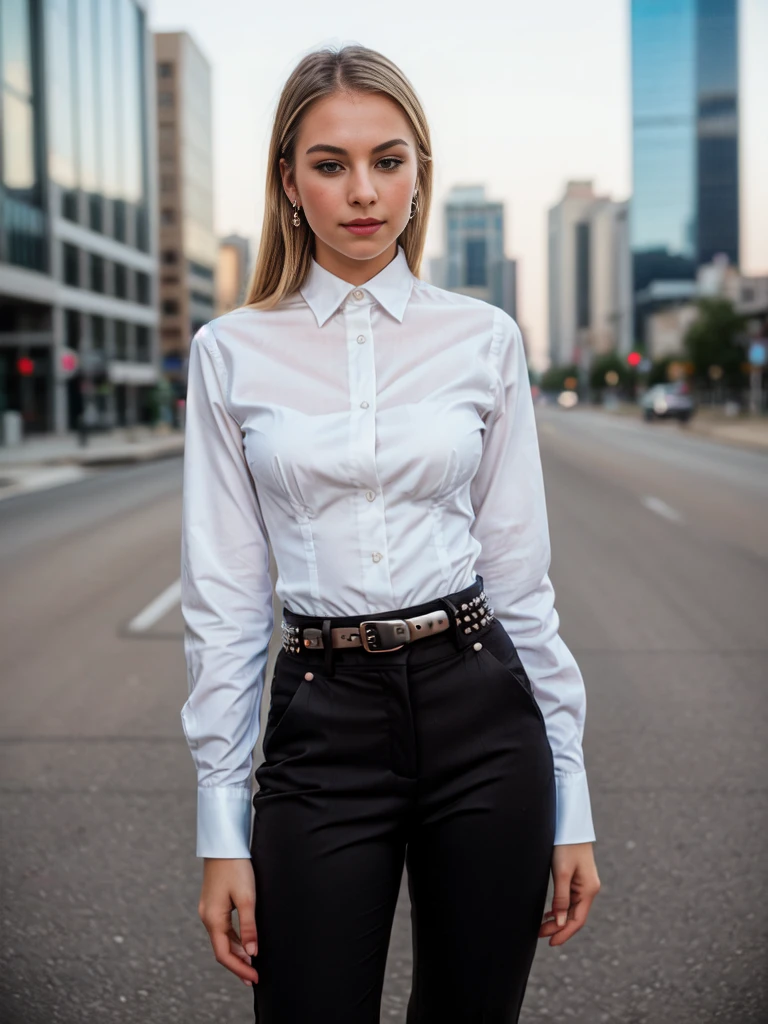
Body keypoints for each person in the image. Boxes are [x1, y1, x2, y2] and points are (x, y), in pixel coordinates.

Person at [179, 43, 600, 1024]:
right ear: (289, 182)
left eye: (389, 159)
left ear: (420, 173)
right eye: (329, 164)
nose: (362, 191)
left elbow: (522, 582)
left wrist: (571, 798)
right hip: (325, 722)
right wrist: (220, 828)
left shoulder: (484, 338)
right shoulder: (228, 352)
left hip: (482, 709)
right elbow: (227, 597)